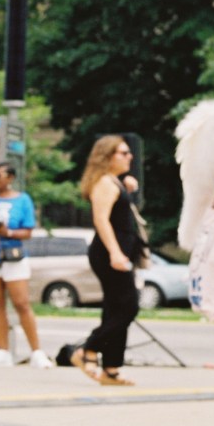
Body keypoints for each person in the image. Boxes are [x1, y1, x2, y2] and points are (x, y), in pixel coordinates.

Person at [74, 137, 144, 386]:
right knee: (128, 307)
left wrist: (127, 188)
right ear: (107, 156)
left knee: (115, 309)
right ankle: (86, 350)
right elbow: (101, 220)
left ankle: (111, 368)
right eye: (123, 153)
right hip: (109, 253)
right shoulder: (104, 182)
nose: (130, 157)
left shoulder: (114, 182)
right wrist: (115, 253)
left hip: (118, 252)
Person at [0, 163, 50, 369]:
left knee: (21, 303)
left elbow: (28, 231)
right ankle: (2, 350)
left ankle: (37, 352)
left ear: (11, 178)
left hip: (12, 254)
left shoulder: (22, 199)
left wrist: (8, 233)